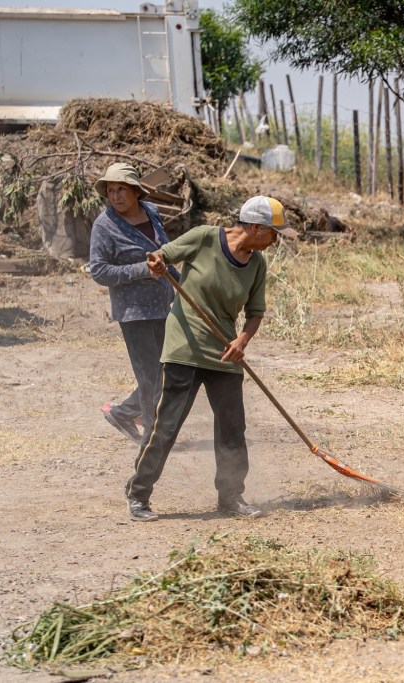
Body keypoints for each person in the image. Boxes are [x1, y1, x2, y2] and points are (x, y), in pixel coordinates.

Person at [124, 196, 297, 522]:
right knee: (167, 425)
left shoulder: (257, 265)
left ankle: (231, 497)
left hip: (224, 353)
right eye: (274, 233)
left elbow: (255, 313)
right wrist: (158, 264)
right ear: (256, 227)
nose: (276, 240)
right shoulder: (205, 238)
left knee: (233, 429)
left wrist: (241, 340)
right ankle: (138, 493)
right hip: (184, 349)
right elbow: (161, 255)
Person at [89, 163, 177, 444]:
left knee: (167, 369)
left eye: (121, 189)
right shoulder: (104, 225)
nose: (115, 196)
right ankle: (154, 440)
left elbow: (163, 252)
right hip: (134, 312)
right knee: (151, 376)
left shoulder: (152, 212)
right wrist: (142, 270)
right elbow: (99, 271)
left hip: (163, 304)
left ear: (136, 191)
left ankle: (123, 413)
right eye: (111, 190)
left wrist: (181, 283)